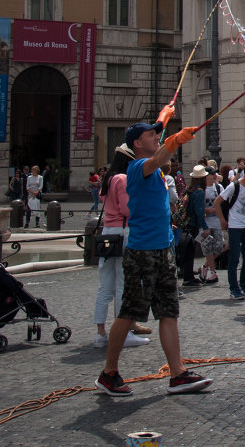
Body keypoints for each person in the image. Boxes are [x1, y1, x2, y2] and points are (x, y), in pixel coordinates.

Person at [94, 116, 211, 396]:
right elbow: (157, 159)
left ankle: (178, 374)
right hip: (142, 251)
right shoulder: (136, 168)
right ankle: (109, 373)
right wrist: (174, 140)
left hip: (162, 249)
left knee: (168, 312)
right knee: (129, 312)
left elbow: (157, 147)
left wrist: (164, 119)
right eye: (150, 136)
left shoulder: (153, 166)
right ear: (137, 143)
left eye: (157, 136)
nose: (156, 138)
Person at [92, 145, 148, 349]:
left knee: (104, 285)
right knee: (123, 283)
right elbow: (127, 209)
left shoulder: (107, 179)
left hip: (108, 232)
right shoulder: (122, 179)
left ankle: (100, 333)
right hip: (123, 232)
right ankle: (122, 334)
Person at [218, 164, 245, 300]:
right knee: (234, 257)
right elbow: (217, 202)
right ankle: (233, 287)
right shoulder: (234, 186)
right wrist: (222, 220)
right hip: (234, 225)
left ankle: (243, 282)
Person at [178, 167, 207, 287]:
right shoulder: (199, 192)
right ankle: (188, 278)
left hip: (185, 222)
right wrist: (204, 227)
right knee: (190, 250)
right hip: (193, 223)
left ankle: (187, 273)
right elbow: (199, 211)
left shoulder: (189, 189)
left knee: (187, 250)